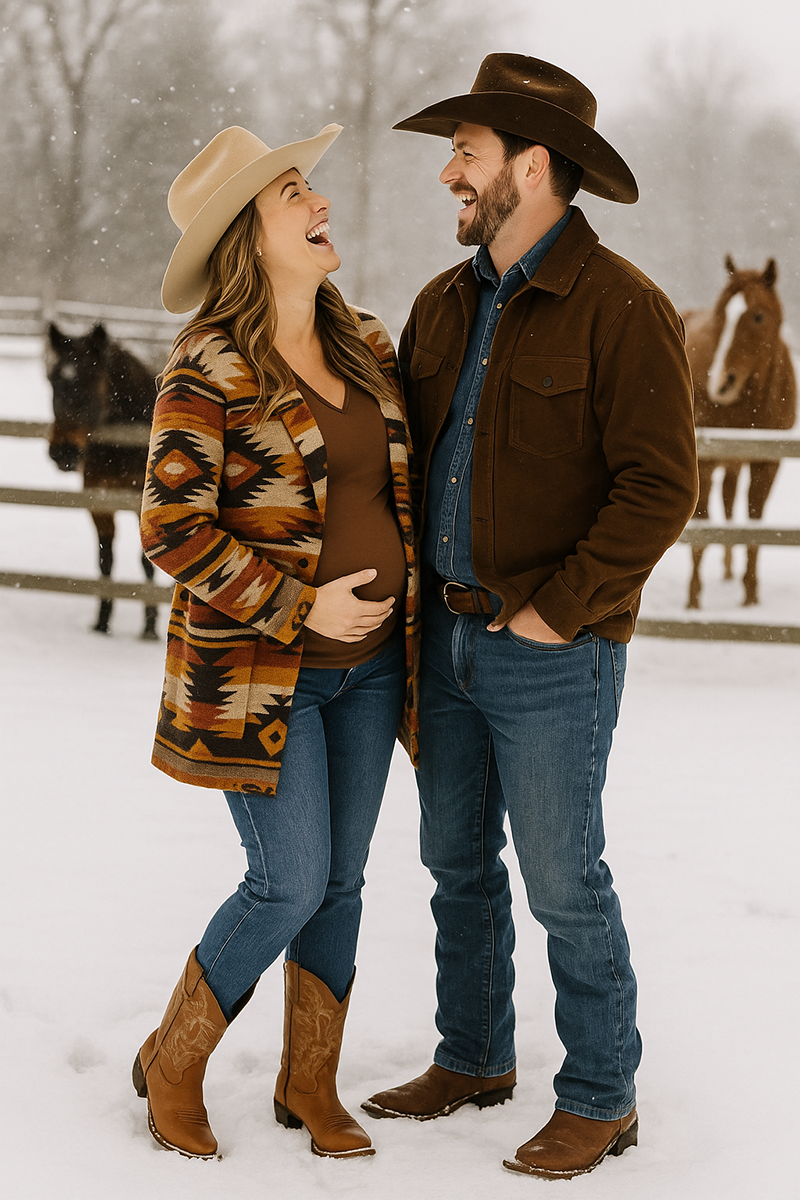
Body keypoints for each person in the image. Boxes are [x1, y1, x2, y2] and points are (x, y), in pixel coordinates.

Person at [361, 54, 698, 1180]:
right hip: (445, 638)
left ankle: (601, 1095)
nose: (448, 175)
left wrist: (561, 611)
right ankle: (471, 1057)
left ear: (531, 165)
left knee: (562, 880)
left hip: (554, 650)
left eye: (465, 152)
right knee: (453, 864)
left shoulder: (622, 308)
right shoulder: (437, 304)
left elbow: (657, 487)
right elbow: (409, 465)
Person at [133, 123, 418, 1162]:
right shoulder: (206, 365)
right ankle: (173, 1061)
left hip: (376, 670)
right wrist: (300, 606)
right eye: (293, 193)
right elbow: (171, 527)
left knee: (342, 883)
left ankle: (310, 1084)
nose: (319, 204)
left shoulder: (365, 345)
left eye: (311, 188)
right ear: (249, 239)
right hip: (264, 678)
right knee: (287, 882)